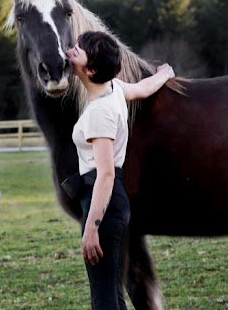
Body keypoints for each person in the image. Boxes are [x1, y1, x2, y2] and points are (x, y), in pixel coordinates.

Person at [64, 31, 175, 309]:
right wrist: (164, 74)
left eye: (78, 50)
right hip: (112, 203)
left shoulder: (100, 112)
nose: (71, 51)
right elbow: (143, 89)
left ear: (90, 70)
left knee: (103, 297)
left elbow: (106, 174)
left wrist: (91, 227)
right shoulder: (114, 88)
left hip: (103, 202)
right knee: (111, 291)